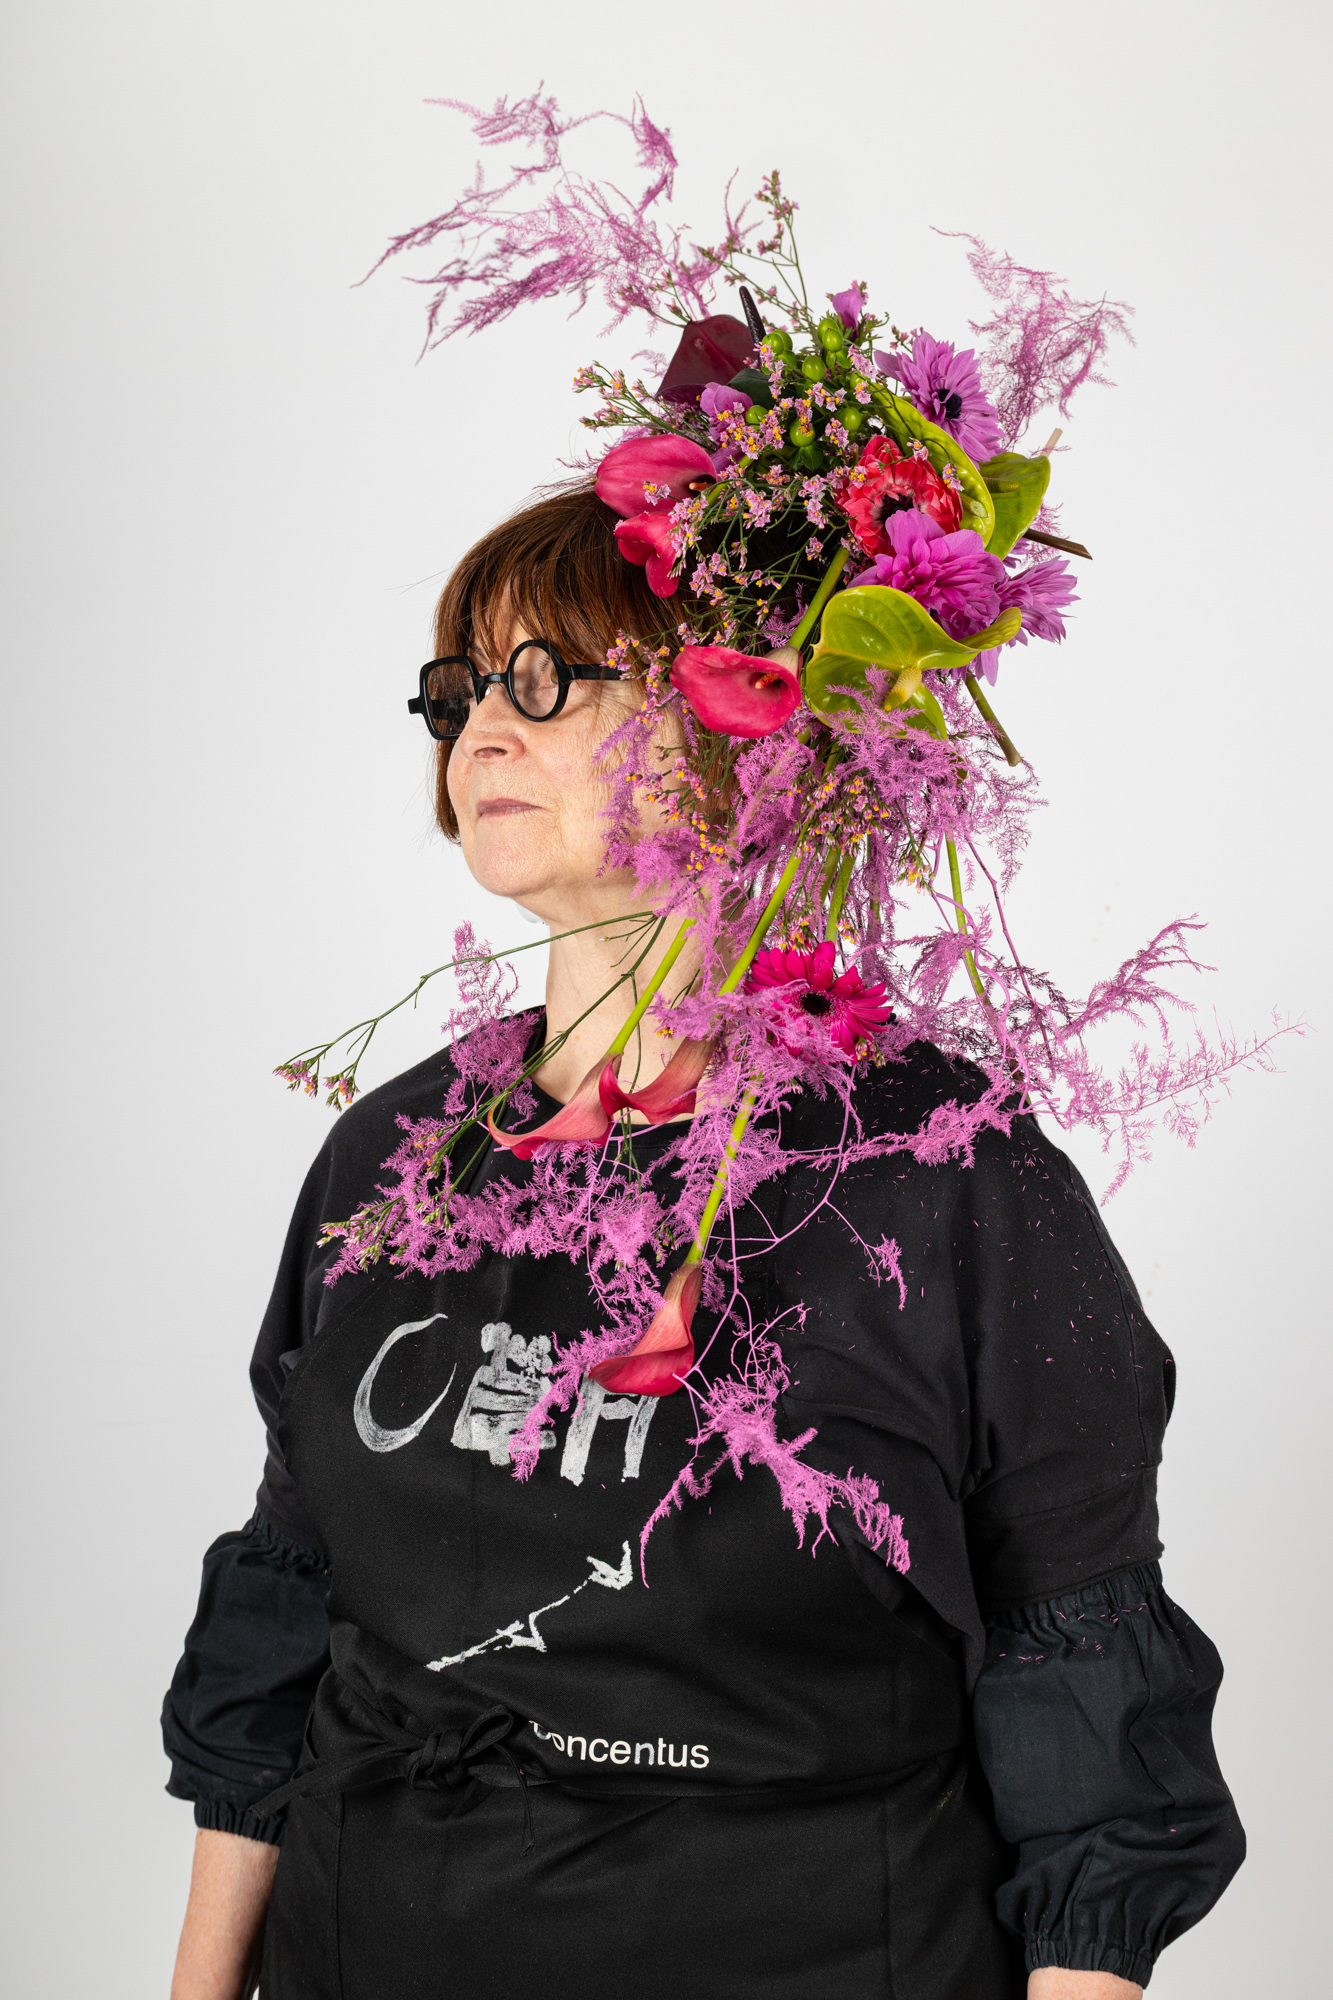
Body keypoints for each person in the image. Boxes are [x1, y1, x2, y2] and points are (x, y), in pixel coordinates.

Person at [163, 485, 1244, 1999]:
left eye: (550, 681)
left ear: (751, 722)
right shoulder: (394, 1155)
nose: (482, 733)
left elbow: (1082, 1698)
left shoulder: (942, 1177)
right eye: (461, 691)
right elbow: (287, 1608)